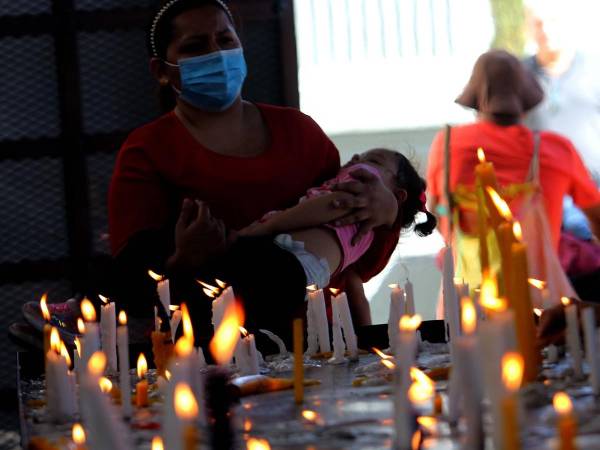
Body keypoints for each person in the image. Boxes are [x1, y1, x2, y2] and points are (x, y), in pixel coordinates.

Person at [23, 0, 405, 345]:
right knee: (153, 248)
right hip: (204, 345)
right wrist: (182, 261)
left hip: (314, 340)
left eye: (225, 40)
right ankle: (84, 313)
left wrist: (385, 213)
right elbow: (136, 273)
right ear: (161, 70)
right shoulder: (148, 151)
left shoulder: (300, 133)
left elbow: (346, 250)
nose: (216, 54)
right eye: (195, 46)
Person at [177, 148, 435, 340]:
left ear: (395, 196)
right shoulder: (362, 229)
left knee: (212, 289)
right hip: (292, 276)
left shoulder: (356, 199)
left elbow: (327, 207)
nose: (356, 160)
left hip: (286, 263)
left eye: (372, 161)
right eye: (356, 157)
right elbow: (353, 289)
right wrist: (363, 337)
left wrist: (260, 229)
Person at [426, 49, 600, 294]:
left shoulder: (446, 145)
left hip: (468, 301)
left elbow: (436, 210)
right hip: (541, 303)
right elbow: (597, 218)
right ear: (526, 103)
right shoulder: (555, 149)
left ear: (474, 100)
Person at [523, 0, 600, 241]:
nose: (545, 29)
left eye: (552, 22)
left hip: (592, 188)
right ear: (529, 28)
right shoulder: (519, 73)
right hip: (540, 194)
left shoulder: (594, 68)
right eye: (538, 23)